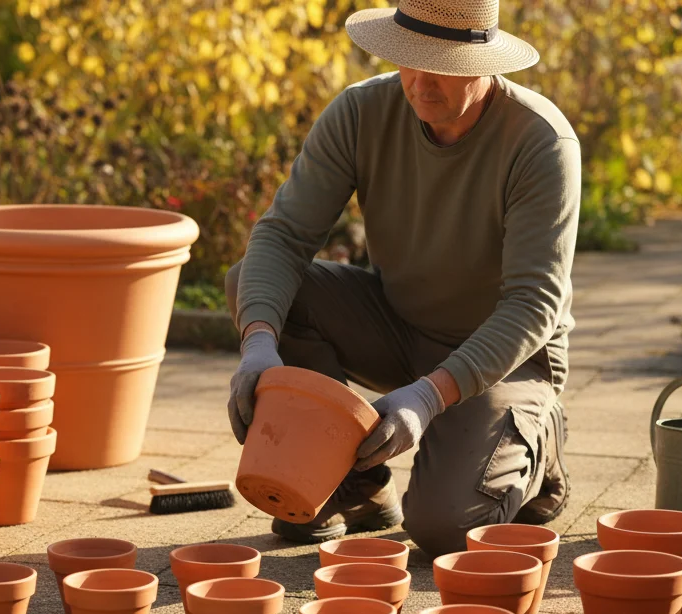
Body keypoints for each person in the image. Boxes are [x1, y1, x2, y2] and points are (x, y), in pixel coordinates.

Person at [225, 0, 576, 558]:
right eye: (407, 57)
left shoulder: (539, 142)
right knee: (256, 283)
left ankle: (540, 437)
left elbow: (535, 304)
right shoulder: (362, 112)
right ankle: (354, 488)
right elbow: (283, 237)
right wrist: (258, 345)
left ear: (483, 61)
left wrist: (429, 397)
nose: (418, 81)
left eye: (440, 63)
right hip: (397, 324)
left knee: (446, 533)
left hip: (505, 357)